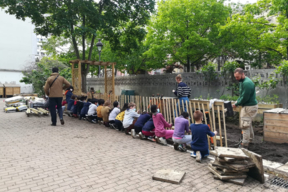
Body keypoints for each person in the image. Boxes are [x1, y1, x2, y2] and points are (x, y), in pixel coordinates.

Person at [232, 68, 258, 148]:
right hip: (248, 106)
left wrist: (237, 104)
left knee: (245, 125)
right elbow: (241, 96)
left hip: (249, 107)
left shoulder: (247, 83)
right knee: (247, 123)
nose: (236, 79)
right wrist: (237, 101)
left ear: (243, 74)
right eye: (235, 77)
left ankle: (245, 144)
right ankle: (250, 140)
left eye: (238, 77)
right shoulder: (242, 82)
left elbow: (245, 98)